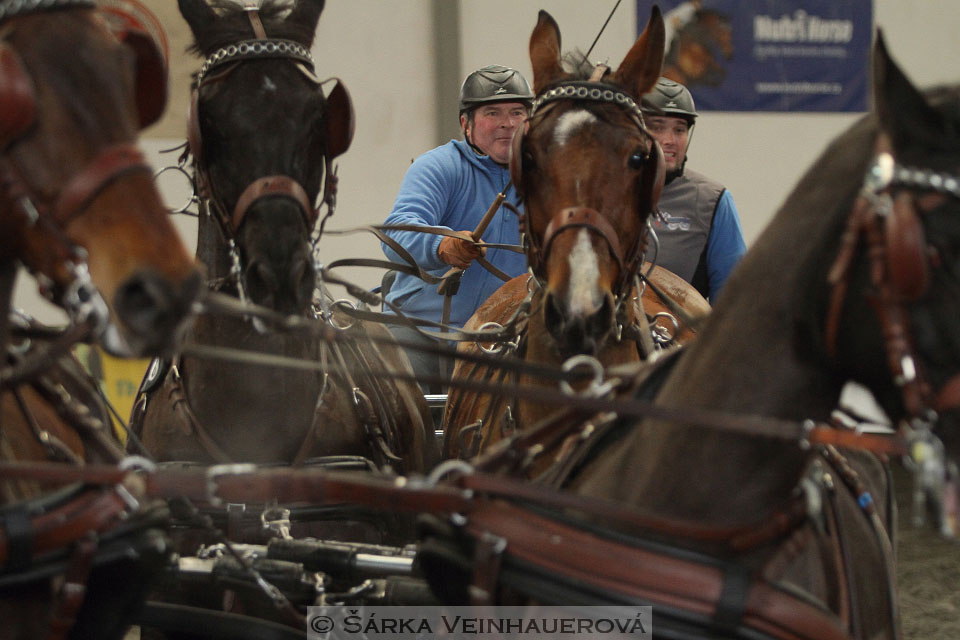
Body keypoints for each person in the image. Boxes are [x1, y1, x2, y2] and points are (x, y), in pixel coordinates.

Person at [380, 64, 532, 392]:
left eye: (517, 112)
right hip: (424, 331)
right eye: (493, 112)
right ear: (466, 123)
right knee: (397, 410)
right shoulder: (438, 167)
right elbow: (396, 232)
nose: (507, 123)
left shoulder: (546, 177)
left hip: (505, 340)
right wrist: (442, 246)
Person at [641, 77, 746, 302]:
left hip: (682, 334)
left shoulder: (713, 200)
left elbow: (732, 302)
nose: (669, 140)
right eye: (657, 127)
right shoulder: (608, 193)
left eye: (679, 130)